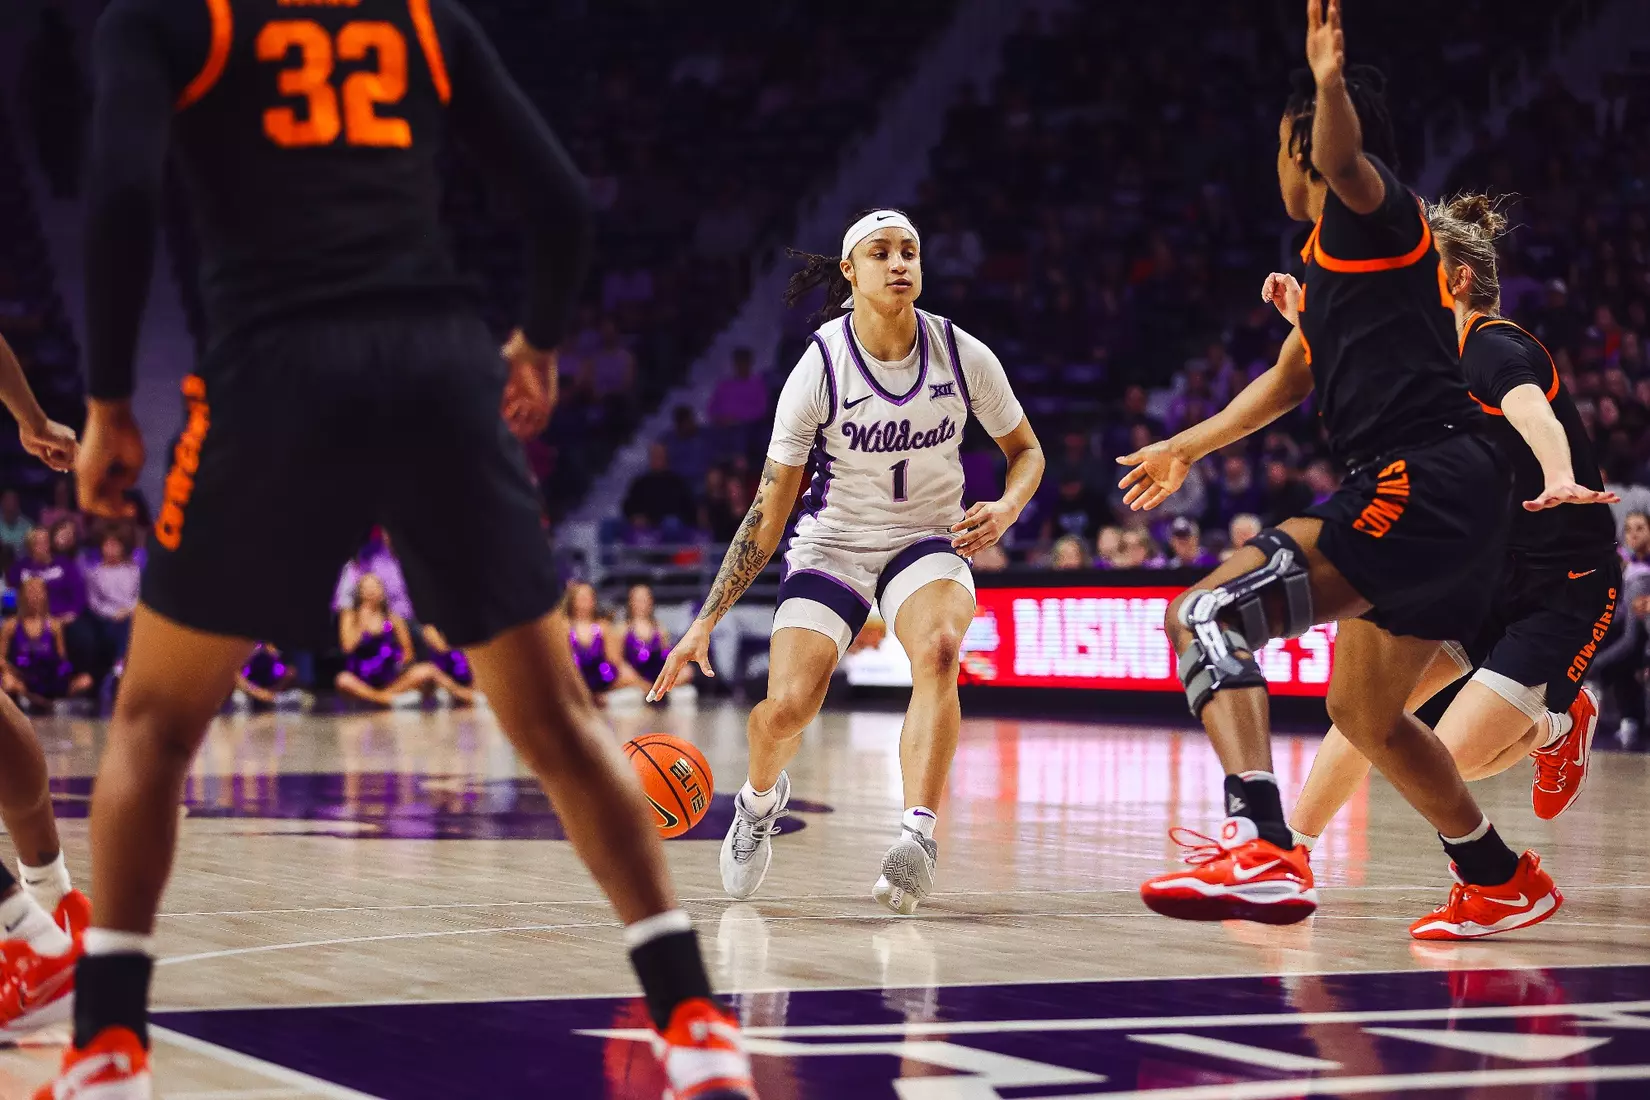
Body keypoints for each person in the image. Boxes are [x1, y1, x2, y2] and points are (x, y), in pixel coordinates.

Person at [61, 1, 754, 1095]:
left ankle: (108, 1042)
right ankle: (695, 1015)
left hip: (275, 370)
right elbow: (561, 201)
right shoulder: (423, 20)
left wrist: (107, 396)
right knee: (562, 726)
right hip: (438, 369)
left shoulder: (162, 19)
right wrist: (538, 337)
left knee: (151, 722)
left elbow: (122, 194)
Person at [1120, 9, 1567, 941]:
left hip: (1426, 476)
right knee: (1363, 711)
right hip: (1451, 494)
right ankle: (1496, 876)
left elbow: (1347, 162)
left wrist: (1326, 86)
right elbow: (1285, 384)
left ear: (1304, 150)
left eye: (1288, 153)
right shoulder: (1329, 266)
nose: (1282, 170)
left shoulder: (1378, 214)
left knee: (1204, 613)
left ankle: (1262, 843)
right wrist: (1186, 447)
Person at [650, 209, 1045, 916]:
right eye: (882, 252)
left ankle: (917, 838)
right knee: (789, 707)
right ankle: (759, 800)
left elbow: (1028, 451)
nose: (899, 264)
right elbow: (766, 517)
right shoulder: (820, 368)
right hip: (831, 545)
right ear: (849, 271)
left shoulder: (962, 353)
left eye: (910, 252)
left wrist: (1009, 507)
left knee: (942, 649)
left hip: (926, 538)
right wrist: (705, 621)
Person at [1288, 192, 1621, 849]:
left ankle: (1560, 725)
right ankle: (1287, 849)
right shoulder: (1428, 361)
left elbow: (1532, 412)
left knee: (1444, 762)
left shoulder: (1492, 346)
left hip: (1562, 583)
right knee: (1368, 713)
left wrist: (1559, 475)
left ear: (1459, 279)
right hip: (1479, 575)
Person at [334, 575, 458, 709]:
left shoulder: (393, 617)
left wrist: (396, 666)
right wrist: (361, 624)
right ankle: (387, 699)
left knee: (427, 670)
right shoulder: (350, 616)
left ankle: (381, 698)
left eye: (374, 587)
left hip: (391, 678)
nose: (371, 591)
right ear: (359, 593)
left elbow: (408, 653)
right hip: (362, 679)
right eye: (366, 588)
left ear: (382, 591)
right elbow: (347, 648)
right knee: (343, 680)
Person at [1, 579, 93, 710]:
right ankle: (30, 700)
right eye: (31, 591)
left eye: (38, 591)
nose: (35, 596)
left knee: (86, 680)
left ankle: (50, 702)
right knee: (8, 683)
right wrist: (9, 671)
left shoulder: (54, 625)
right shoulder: (11, 625)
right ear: (22, 595)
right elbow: (1, 657)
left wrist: (63, 675)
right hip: (22, 677)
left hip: (48, 678)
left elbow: (62, 658)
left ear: (45, 595)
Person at [565, 582, 647, 701]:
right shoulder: (564, 627)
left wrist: (637, 680)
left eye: (589, 597)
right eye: (581, 598)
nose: (585, 602)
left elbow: (615, 660)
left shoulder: (603, 627)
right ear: (572, 600)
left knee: (625, 675)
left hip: (601, 679)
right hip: (575, 677)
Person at [623, 584, 692, 704]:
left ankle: (661, 688)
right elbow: (616, 661)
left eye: (645, 599)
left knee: (687, 670)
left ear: (651, 602)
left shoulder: (660, 629)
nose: (642, 604)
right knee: (623, 673)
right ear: (630, 602)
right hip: (634, 673)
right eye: (638, 600)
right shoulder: (622, 629)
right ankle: (647, 687)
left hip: (656, 671)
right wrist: (637, 681)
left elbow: (668, 655)